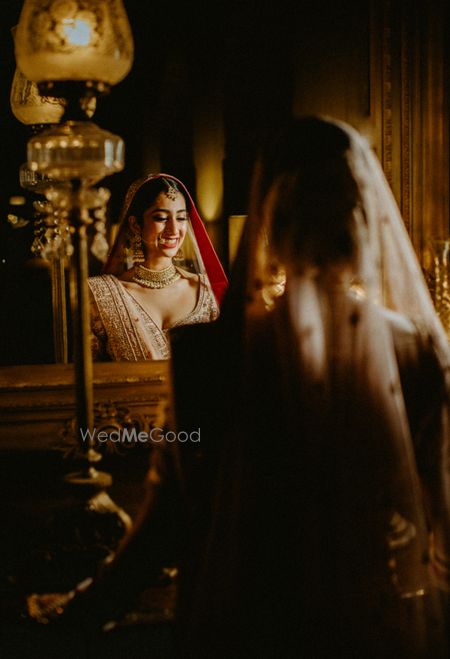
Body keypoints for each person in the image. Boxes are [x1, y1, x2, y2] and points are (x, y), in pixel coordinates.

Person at [27, 118, 450, 658]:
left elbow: (166, 526)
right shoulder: (418, 352)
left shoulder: (212, 355)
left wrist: (78, 613)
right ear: (365, 218)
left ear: (271, 218)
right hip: (380, 629)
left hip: (247, 625)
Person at [88, 173, 227, 360]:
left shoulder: (206, 291)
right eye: (161, 218)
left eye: (181, 218)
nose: (174, 230)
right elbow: (89, 376)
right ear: (136, 224)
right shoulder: (101, 294)